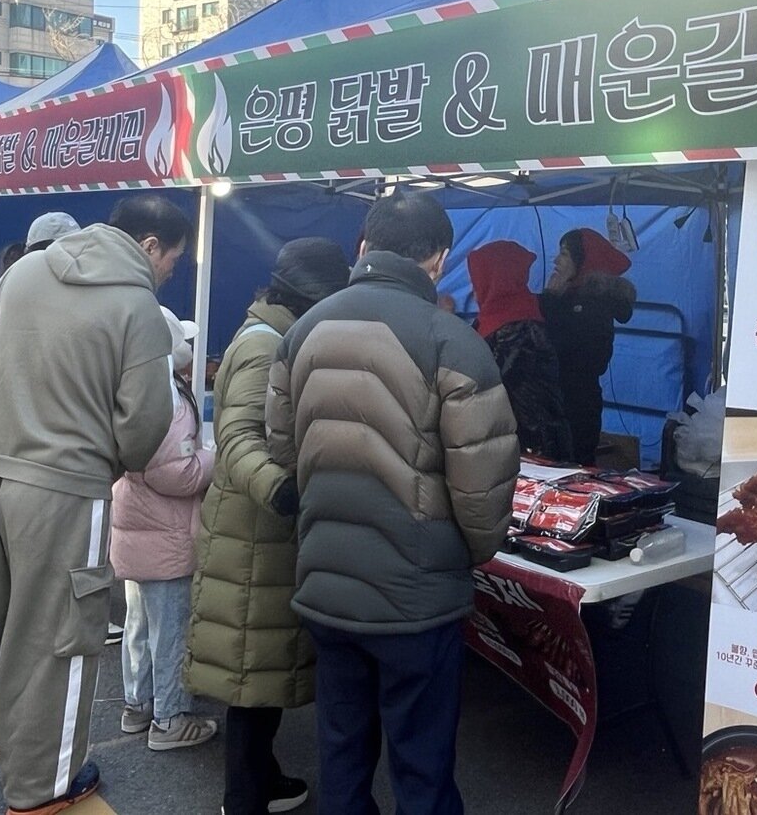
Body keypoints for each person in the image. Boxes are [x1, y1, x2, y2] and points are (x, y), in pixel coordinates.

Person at [0, 194, 190, 815]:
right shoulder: (138, 304)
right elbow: (144, 423)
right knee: (51, 641)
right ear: (148, 245)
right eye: (172, 257)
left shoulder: (27, 270)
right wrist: (103, 460)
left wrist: (8, 414)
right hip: (65, 490)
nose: (170, 270)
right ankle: (40, 787)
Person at [267, 193, 520, 815]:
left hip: (326, 585)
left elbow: (282, 445)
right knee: (422, 766)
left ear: (362, 247)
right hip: (417, 599)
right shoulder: (451, 342)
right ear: (439, 259)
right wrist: (473, 551)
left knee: (342, 755)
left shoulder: (301, 331)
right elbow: (481, 490)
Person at [187, 237, 351, 815]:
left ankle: (265, 776)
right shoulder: (266, 344)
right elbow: (236, 436)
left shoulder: (276, 332)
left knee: (262, 669)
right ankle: (244, 797)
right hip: (254, 533)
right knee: (250, 674)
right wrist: (284, 491)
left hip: (259, 532)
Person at [112, 307, 217, 752]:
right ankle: (170, 718)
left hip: (135, 525)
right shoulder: (170, 401)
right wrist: (216, 455)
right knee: (169, 628)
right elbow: (179, 475)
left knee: (138, 623)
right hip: (166, 532)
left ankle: (138, 705)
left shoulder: (128, 389)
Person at [467, 239, 573, 461]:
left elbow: (487, 378)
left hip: (534, 443)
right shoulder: (494, 317)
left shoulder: (520, 325)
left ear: (496, 279)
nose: (473, 287)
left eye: (477, 279)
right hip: (509, 437)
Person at [540, 228, 637, 465]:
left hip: (576, 409)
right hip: (561, 403)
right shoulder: (569, 297)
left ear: (583, 260)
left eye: (564, 253)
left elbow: (568, 353)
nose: (556, 260)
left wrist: (550, 302)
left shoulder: (593, 306)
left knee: (573, 472)